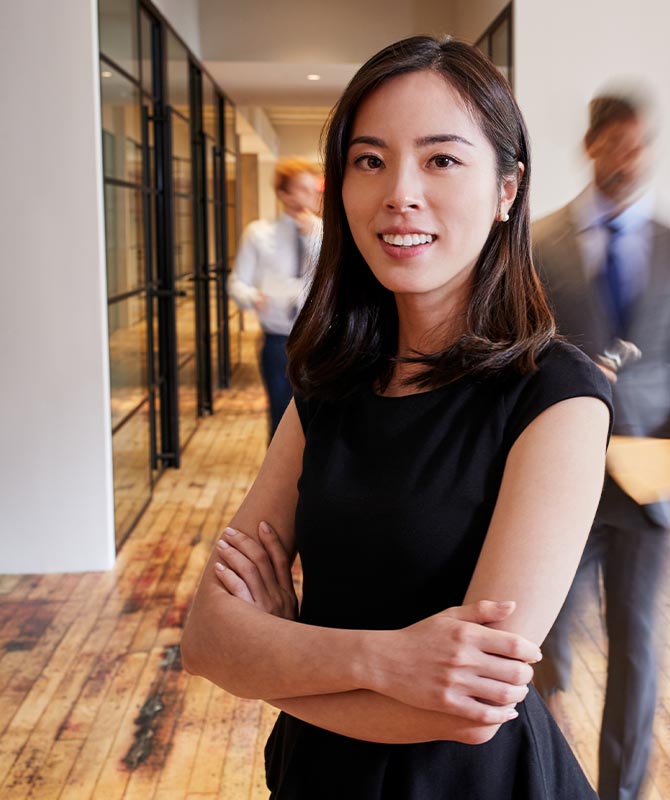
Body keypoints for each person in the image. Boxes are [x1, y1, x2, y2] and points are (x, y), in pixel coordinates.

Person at [180, 37, 613, 799]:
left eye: (441, 160)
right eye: (369, 160)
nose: (398, 193)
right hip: (318, 776)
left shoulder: (557, 395)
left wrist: (276, 653)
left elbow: (474, 706)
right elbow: (207, 638)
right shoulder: (329, 384)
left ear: (508, 189)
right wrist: (385, 662)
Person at [530, 90, 670, 800]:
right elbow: (520, 353)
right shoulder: (538, 244)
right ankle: (542, 776)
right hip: (559, 477)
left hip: (652, 481)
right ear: (591, 145)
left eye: (641, 145)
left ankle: (620, 794)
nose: (631, 159)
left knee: (637, 644)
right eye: (618, 144)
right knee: (542, 643)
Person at [229, 157, 323, 438]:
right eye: (302, 190)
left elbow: (337, 278)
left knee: (322, 419)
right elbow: (237, 282)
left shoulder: (328, 233)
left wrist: (316, 238)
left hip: (320, 340)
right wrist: (252, 297)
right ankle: (280, 482)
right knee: (282, 419)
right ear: (283, 194)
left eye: (313, 190)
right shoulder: (259, 233)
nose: (311, 197)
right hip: (278, 342)